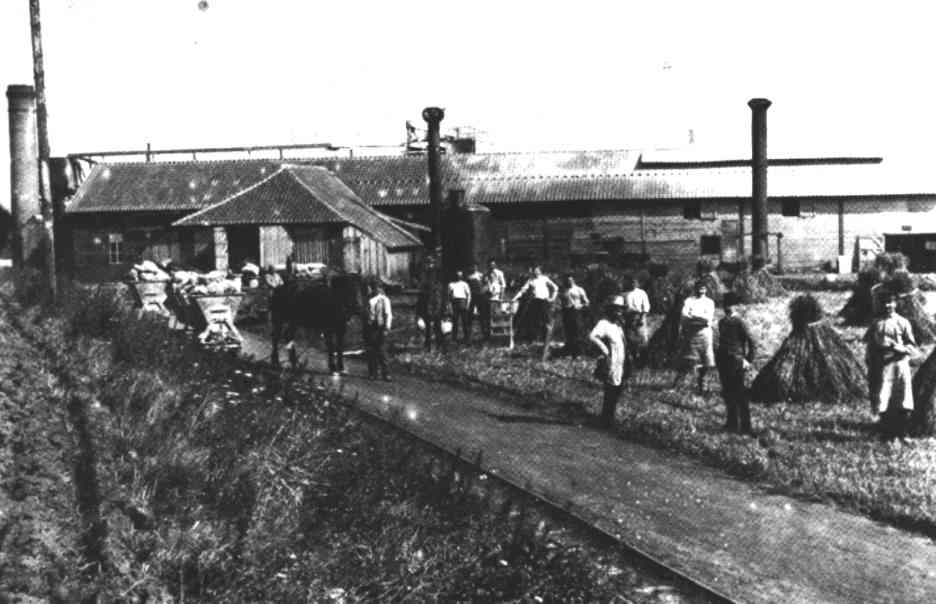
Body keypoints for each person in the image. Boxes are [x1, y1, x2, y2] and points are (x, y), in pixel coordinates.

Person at [864, 291, 916, 437]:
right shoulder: (876, 323)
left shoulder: (903, 322)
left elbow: (912, 346)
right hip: (883, 365)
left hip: (900, 364)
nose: (888, 306)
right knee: (883, 396)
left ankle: (902, 433)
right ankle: (885, 432)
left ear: (896, 304)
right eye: (885, 303)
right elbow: (871, 346)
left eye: (891, 302)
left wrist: (902, 348)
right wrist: (869, 361)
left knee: (902, 398)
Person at [716, 292, 756, 435]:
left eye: (731, 305)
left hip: (737, 360)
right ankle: (731, 423)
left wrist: (748, 360)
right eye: (726, 305)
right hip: (723, 360)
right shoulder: (722, 322)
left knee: (740, 393)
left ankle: (746, 427)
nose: (728, 308)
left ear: (737, 306)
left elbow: (751, 342)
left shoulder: (739, 322)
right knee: (727, 393)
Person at [589, 295, 628, 428]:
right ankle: (606, 419)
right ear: (610, 309)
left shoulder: (618, 325)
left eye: (620, 309)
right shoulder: (603, 323)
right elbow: (592, 336)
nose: (618, 312)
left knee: (617, 388)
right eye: (615, 309)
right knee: (611, 388)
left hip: (620, 361)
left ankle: (609, 417)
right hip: (611, 359)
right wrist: (604, 349)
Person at [673, 280, 716, 394]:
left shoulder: (709, 302)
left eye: (703, 288)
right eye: (699, 287)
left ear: (706, 289)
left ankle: (703, 385)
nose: (701, 290)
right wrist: (697, 319)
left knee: (706, 361)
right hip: (691, 334)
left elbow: (708, 319)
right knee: (687, 361)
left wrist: (694, 318)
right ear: (695, 288)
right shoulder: (689, 301)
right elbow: (684, 316)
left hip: (705, 335)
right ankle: (677, 386)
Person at [512, 265, 559, 361]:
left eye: (537, 270)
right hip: (535, 302)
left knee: (547, 322)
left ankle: (547, 341)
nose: (535, 272)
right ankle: (534, 341)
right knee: (534, 321)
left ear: (540, 271)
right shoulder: (531, 280)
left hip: (544, 301)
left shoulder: (545, 278)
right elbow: (523, 290)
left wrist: (552, 298)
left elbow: (555, 287)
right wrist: (515, 298)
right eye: (534, 270)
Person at [416, 255, 447, 352]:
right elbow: (421, 293)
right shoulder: (423, 275)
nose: (429, 265)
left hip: (436, 303)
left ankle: (441, 346)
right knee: (428, 327)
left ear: (434, 263)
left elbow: (441, 291)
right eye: (428, 263)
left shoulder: (438, 274)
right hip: (426, 303)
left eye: (431, 263)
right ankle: (428, 346)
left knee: (438, 326)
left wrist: (442, 306)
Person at [366, 281, 393, 382]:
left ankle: (386, 373)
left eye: (377, 288)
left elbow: (388, 314)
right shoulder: (368, 300)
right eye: (373, 288)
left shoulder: (384, 300)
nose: (375, 290)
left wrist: (387, 327)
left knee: (382, 350)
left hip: (380, 327)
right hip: (370, 327)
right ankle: (373, 372)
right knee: (371, 350)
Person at [623, 276, 651, 369]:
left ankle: (643, 362)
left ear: (637, 283)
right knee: (630, 340)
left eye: (634, 282)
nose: (632, 284)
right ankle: (632, 361)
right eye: (630, 282)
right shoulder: (624, 294)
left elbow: (646, 306)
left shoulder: (642, 293)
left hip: (639, 317)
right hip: (628, 319)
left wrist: (642, 318)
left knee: (642, 340)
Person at [559, 274, 590, 357]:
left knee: (577, 332)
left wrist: (581, 306)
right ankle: (569, 352)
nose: (569, 282)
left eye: (570, 280)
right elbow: (561, 301)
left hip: (576, 312)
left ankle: (578, 353)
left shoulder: (579, 289)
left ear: (573, 280)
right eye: (567, 281)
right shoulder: (564, 290)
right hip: (566, 312)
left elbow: (587, 302)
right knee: (568, 332)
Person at [482, 259, 507, 340]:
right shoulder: (486, 274)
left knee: (497, 315)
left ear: (495, 265)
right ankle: (489, 334)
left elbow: (503, 285)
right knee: (487, 316)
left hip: (496, 298)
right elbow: (484, 286)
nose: (491, 266)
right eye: (490, 265)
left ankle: (500, 333)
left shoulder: (499, 273)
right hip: (487, 298)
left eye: (493, 264)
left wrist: (501, 297)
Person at [448, 270, 472, 343]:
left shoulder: (465, 284)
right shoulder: (451, 284)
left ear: (462, 276)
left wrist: (467, 304)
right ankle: (454, 338)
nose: (459, 276)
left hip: (463, 302)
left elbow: (469, 295)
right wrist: (450, 306)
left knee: (465, 321)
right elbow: (449, 296)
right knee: (455, 321)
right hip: (454, 303)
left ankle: (467, 338)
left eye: (460, 275)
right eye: (457, 275)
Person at [465, 263, 487, 341]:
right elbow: (467, 287)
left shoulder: (481, 275)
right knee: (470, 315)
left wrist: (483, 291)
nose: (474, 268)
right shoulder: (468, 277)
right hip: (472, 297)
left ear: (477, 267)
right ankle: (468, 334)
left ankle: (485, 333)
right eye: (472, 266)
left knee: (482, 314)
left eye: (475, 266)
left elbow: (486, 284)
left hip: (480, 296)